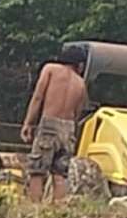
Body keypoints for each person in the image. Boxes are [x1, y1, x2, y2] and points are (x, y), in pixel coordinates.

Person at [20, 45, 89, 202]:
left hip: (49, 124)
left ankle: (34, 209)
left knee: (37, 170)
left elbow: (38, 97)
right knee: (60, 174)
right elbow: (77, 113)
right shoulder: (81, 83)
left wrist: (28, 123)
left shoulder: (50, 69)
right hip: (69, 128)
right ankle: (57, 209)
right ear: (79, 64)